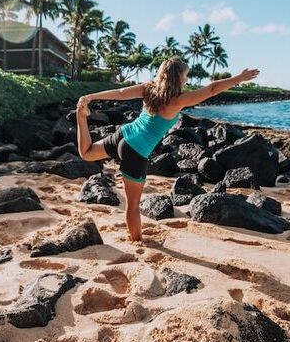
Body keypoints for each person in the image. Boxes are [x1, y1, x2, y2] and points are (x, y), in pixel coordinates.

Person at [75, 57, 260, 242]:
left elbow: (121, 92)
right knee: (132, 205)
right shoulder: (177, 101)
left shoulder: (148, 89)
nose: (186, 80)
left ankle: (81, 118)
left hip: (124, 134)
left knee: (87, 153)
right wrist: (239, 78)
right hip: (136, 150)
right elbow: (211, 89)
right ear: (177, 77)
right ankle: (137, 242)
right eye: (185, 76)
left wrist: (91, 97)